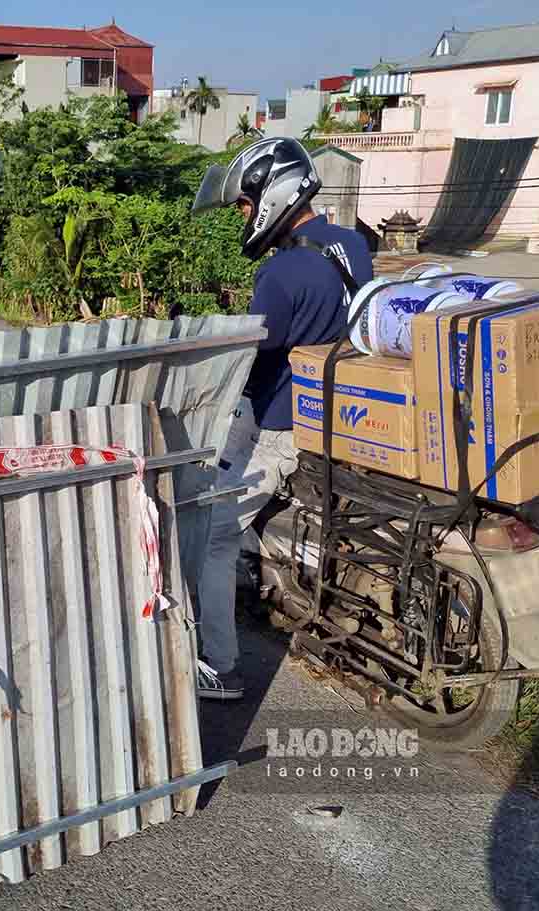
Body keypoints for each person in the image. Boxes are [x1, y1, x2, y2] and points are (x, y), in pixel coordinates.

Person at [188, 137, 373, 701]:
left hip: (280, 425)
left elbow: (251, 355)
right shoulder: (351, 246)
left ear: (274, 193)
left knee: (213, 535)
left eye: (245, 205)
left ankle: (218, 665)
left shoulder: (282, 273)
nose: (245, 216)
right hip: (334, 417)